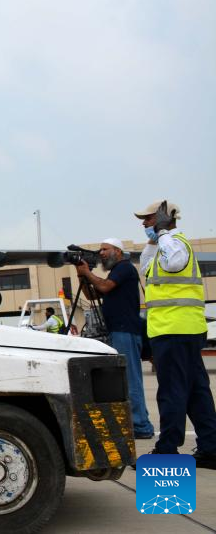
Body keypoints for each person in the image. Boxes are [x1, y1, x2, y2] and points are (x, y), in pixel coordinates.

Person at [135, 200, 216, 467]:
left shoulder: (176, 243)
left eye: (149, 218)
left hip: (174, 330)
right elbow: (145, 266)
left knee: (172, 390)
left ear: (163, 218)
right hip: (184, 329)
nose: (144, 223)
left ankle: (167, 449)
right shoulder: (163, 246)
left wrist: (163, 232)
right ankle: (211, 447)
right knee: (196, 390)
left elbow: (174, 263)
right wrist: (155, 238)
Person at [75, 238, 154, 439]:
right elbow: (92, 295)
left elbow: (104, 287)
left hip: (125, 331)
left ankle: (141, 425)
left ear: (118, 251)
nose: (101, 253)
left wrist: (88, 273)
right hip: (118, 331)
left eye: (105, 249)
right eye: (100, 250)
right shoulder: (115, 272)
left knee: (130, 379)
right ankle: (138, 422)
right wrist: (81, 275)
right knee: (124, 379)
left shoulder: (124, 268)